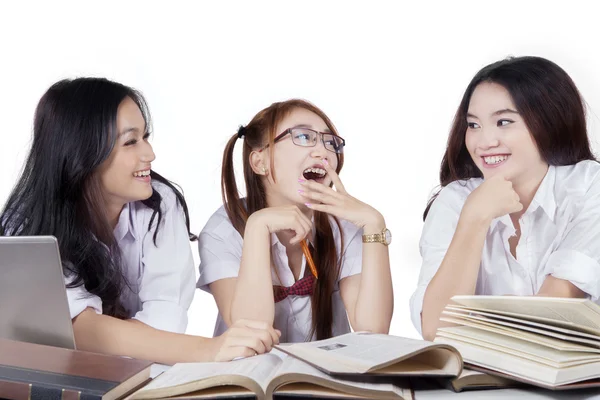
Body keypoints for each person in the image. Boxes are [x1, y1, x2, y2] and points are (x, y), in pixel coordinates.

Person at [0, 77, 279, 364]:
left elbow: (166, 321)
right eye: (130, 142)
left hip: (136, 376)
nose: (150, 154)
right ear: (81, 153)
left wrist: (100, 333)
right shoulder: (26, 224)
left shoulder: (160, 204)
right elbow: (74, 330)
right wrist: (208, 349)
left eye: (145, 137)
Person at [410, 56, 600, 341]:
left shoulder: (589, 186)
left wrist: (476, 323)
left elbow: (557, 310)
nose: (484, 142)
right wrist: (474, 219)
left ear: (548, 121)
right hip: (480, 383)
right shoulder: (455, 200)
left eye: (503, 121)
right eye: (473, 125)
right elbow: (436, 330)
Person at [197, 99, 394, 342]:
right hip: (250, 377)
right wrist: (258, 227)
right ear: (259, 163)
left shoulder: (344, 226)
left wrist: (374, 224)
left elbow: (373, 330)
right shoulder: (223, 230)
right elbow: (250, 332)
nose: (323, 152)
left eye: (329, 141)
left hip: (324, 376)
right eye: (303, 137)